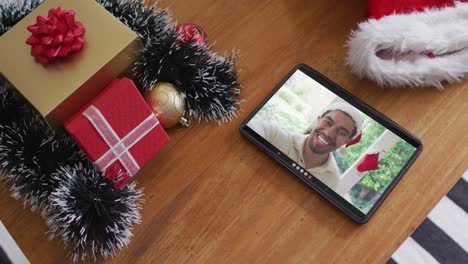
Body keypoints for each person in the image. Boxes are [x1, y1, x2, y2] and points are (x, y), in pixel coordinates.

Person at [249, 102, 363, 190]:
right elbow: (251, 129)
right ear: (318, 120)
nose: (328, 133)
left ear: (346, 141)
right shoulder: (274, 134)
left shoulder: (332, 181)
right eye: (328, 122)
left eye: (342, 132)